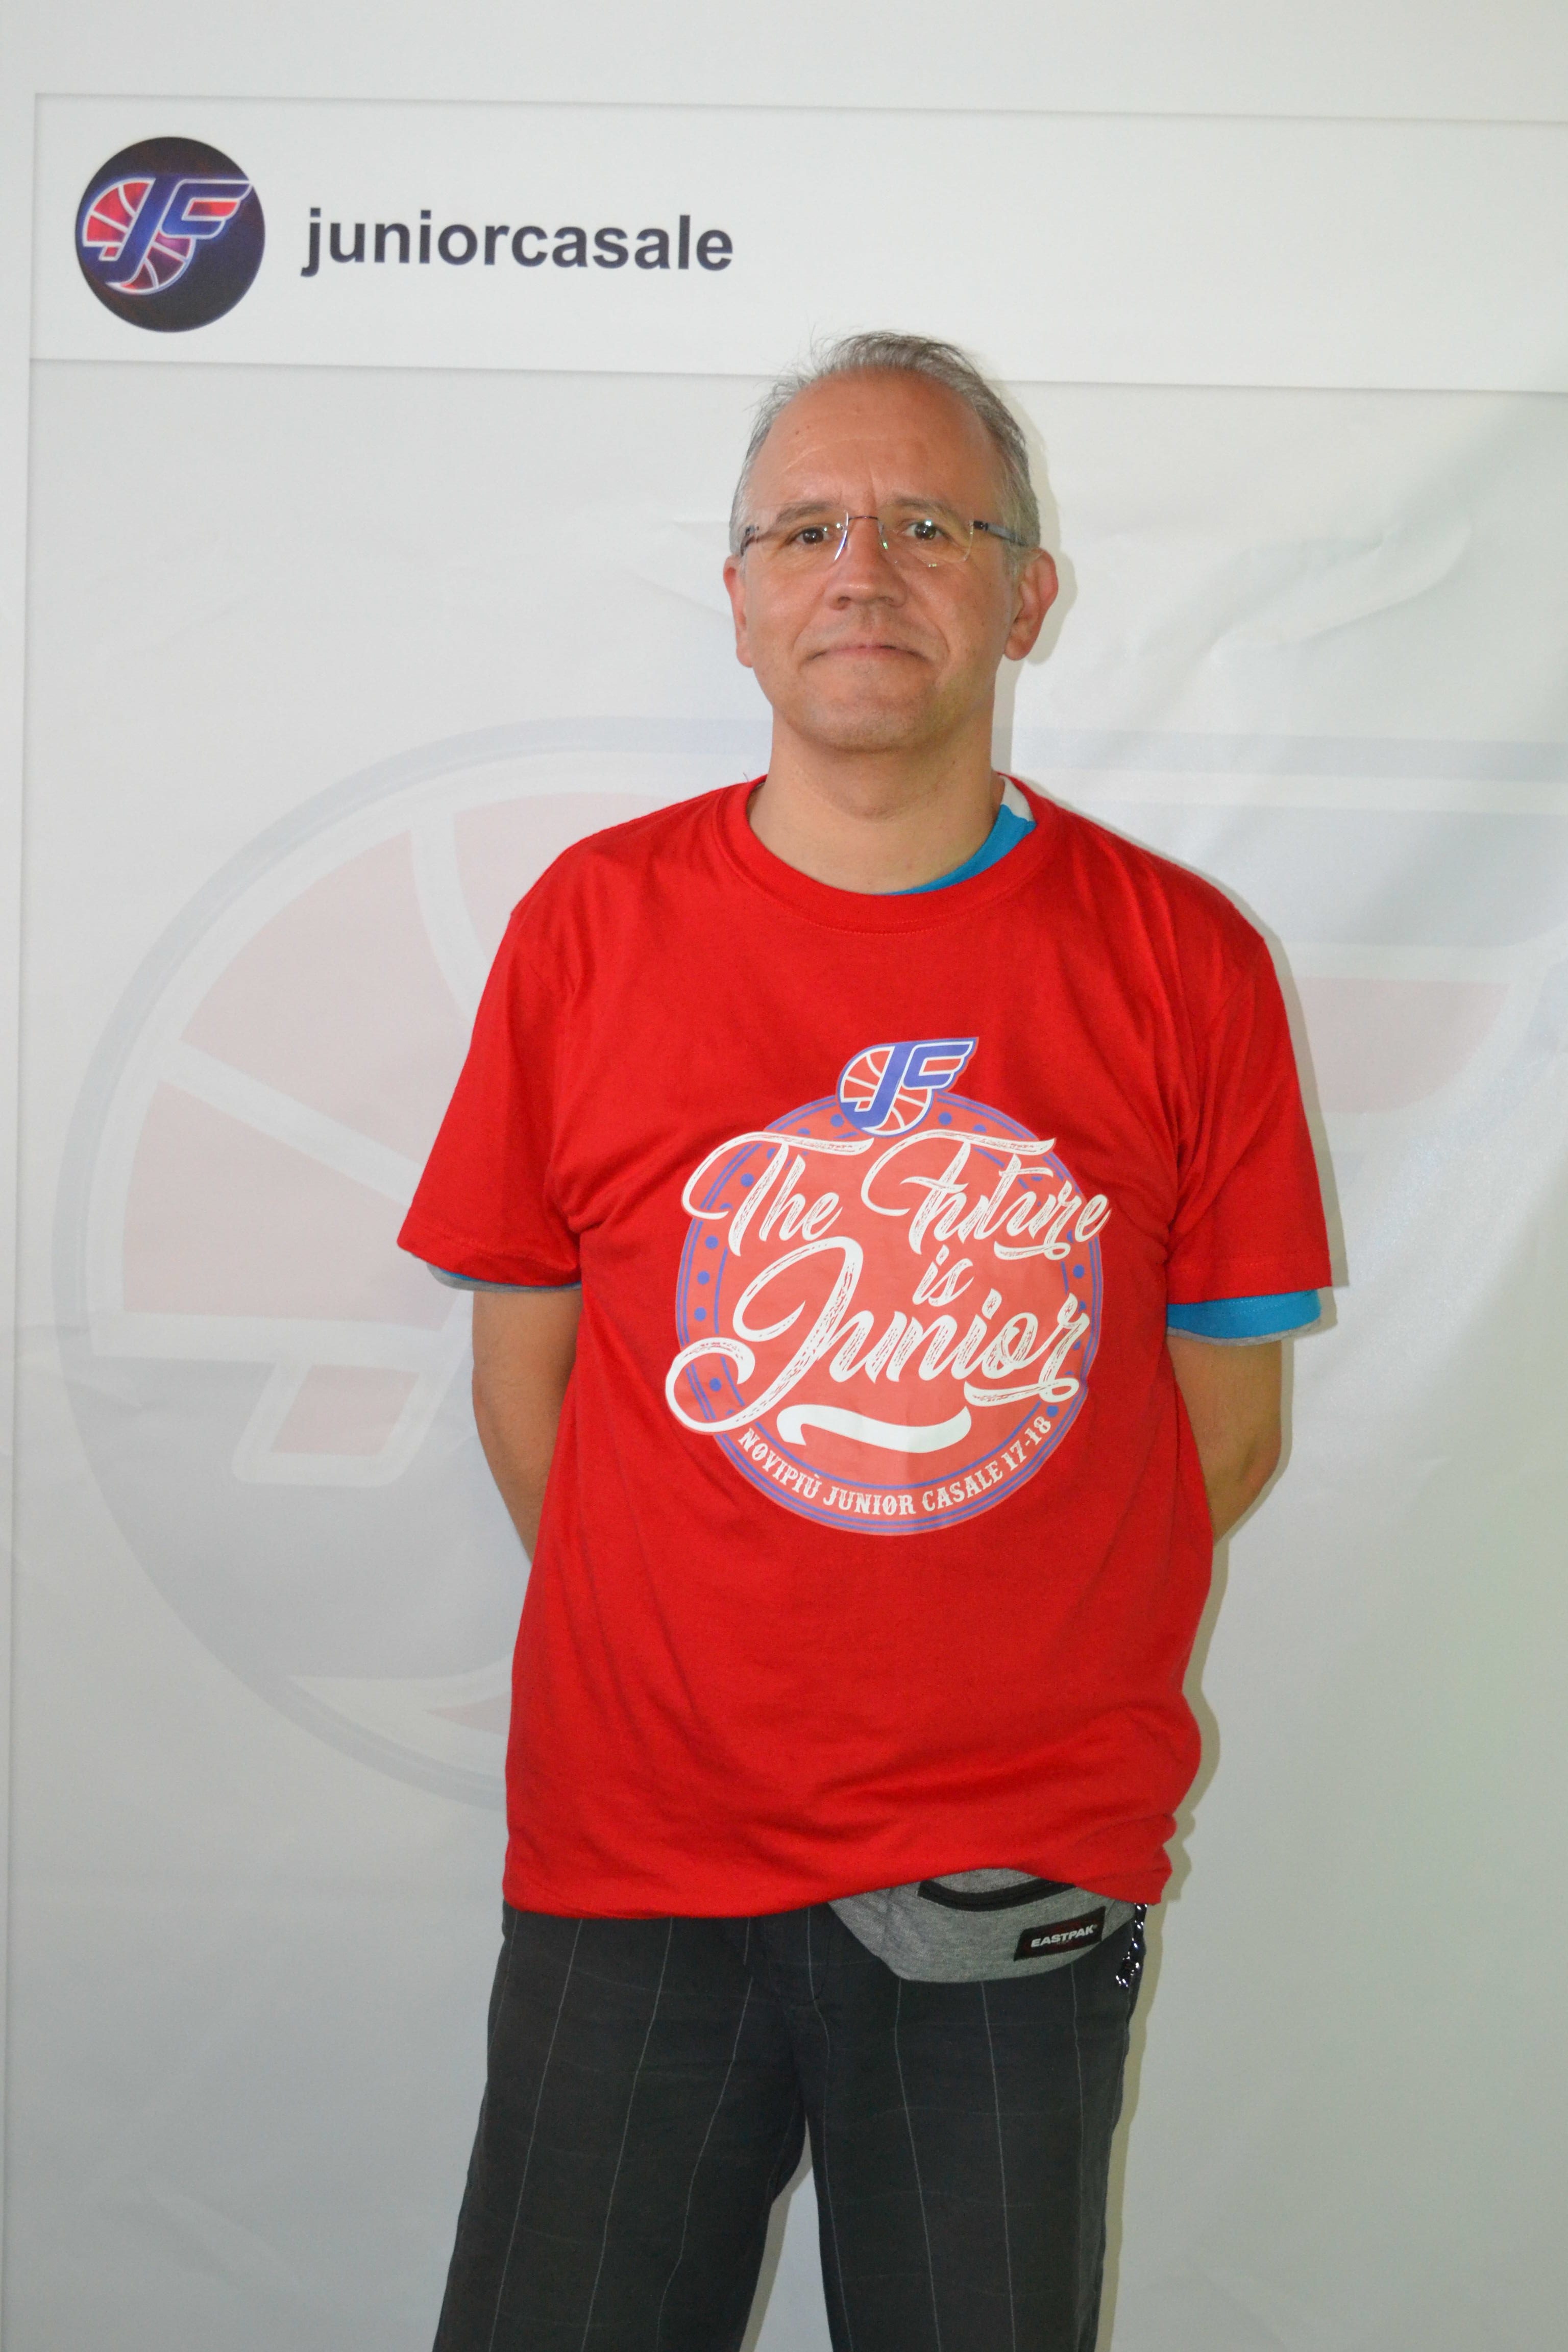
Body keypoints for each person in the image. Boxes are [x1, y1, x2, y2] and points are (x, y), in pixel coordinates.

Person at [399, 331, 1332, 2352]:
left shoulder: (1182, 960)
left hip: (1012, 1870)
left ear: (1028, 593)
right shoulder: (589, 927)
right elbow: (522, 1378)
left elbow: (1227, 1428)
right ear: (739, 596)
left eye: (930, 525)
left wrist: (967, 1633)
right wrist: (700, 1628)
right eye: (807, 529)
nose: (863, 571)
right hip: (636, 1861)